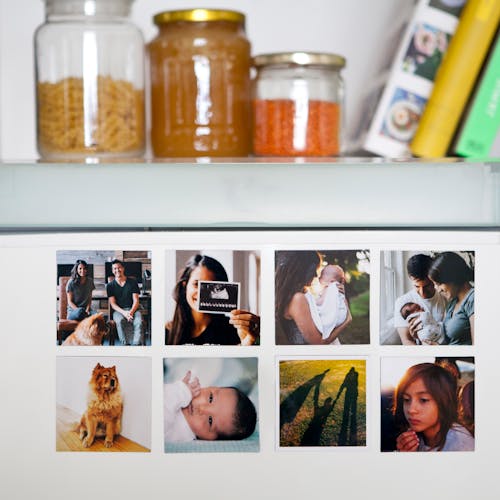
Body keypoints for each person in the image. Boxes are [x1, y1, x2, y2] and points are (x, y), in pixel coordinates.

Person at [165, 254, 260, 345]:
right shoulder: (167, 332)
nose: (202, 294)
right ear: (185, 286)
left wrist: (248, 342)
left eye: (210, 287)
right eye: (196, 284)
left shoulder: (236, 331)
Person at [392, 363, 474, 452]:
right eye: (406, 399)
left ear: (444, 402)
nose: (411, 410)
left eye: (423, 400)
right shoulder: (414, 436)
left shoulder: (460, 445)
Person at [275, 251, 352, 345]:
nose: (316, 275)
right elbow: (319, 342)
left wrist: (335, 295)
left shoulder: (289, 295)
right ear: (303, 270)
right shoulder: (298, 299)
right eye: (314, 270)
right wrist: (347, 321)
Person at [164, 370, 257, 442]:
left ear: (209, 438)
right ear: (211, 387)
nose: (201, 409)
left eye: (210, 420)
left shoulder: (181, 433)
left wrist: (180, 392)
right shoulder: (186, 395)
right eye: (211, 398)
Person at [393, 254, 447, 345]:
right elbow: (407, 341)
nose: (422, 292)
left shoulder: (446, 297)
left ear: (433, 279)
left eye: (427, 286)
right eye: (417, 286)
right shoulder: (403, 303)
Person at [428, 251, 474, 345]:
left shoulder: (473, 299)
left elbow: (479, 352)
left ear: (453, 277)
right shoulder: (452, 303)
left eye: (439, 284)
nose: (438, 290)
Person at [304, 264, 348, 343]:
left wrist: (311, 301)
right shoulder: (333, 289)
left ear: (331, 281)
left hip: (336, 317)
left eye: (322, 275)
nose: (318, 277)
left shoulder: (331, 288)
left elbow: (321, 302)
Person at [106, 259, 142, 346]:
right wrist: (124, 313)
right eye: (115, 268)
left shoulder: (132, 282)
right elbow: (113, 304)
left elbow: (136, 300)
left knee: (138, 321)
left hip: (133, 309)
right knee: (119, 321)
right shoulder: (110, 286)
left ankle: (136, 344)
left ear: (123, 268)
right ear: (112, 270)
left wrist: (131, 312)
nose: (117, 270)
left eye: (119, 268)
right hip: (119, 311)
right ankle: (125, 344)